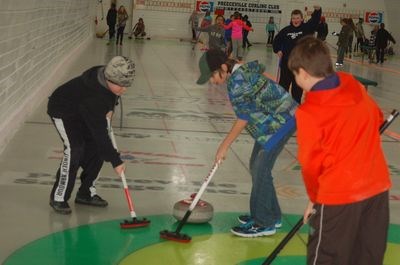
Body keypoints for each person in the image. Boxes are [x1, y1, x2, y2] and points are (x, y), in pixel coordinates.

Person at [288, 36, 391, 265]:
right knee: (367, 257)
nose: (296, 80)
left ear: (303, 73)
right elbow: (376, 118)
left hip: (338, 195)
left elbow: (311, 165)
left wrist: (315, 199)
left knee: (327, 258)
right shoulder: (352, 84)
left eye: (295, 75)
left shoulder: (309, 114)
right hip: (377, 188)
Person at [196, 49, 297, 237]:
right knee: (257, 166)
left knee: (260, 168)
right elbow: (261, 68)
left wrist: (223, 146)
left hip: (281, 122)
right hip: (270, 122)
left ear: (223, 68)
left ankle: (264, 222)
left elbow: (243, 117)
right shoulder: (239, 69)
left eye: (212, 76)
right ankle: (271, 215)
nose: (212, 81)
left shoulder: (237, 81)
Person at [47, 56, 135, 214]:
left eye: (127, 85)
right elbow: (100, 134)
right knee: (75, 149)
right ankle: (59, 197)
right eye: (121, 86)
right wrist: (116, 161)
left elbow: (113, 95)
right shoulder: (95, 96)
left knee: (96, 150)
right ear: (110, 80)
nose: (124, 89)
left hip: (84, 110)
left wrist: (111, 108)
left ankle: (85, 193)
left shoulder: (107, 75)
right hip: (63, 110)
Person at [273, 5, 321, 104]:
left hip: (300, 64)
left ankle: (296, 106)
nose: (296, 20)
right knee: (283, 86)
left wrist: (317, 11)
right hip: (286, 63)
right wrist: (277, 50)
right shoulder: (286, 30)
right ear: (291, 19)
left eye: (298, 18)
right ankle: (282, 105)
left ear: (302, 19)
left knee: (297, 88)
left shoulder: (306, 28)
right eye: (294, 18)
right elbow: (277, 40)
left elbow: (314, 21)